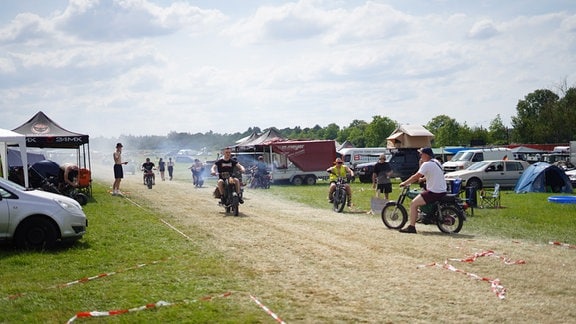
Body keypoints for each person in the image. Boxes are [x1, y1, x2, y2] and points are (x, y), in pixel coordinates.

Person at [398, 147, 447, 234]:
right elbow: (434, 174)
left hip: (434, 192)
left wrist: (405, 183)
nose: (420, 156)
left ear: (426, 155)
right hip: (442, 190)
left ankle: (411, 227)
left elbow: (416, 176)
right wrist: (423, 179)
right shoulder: (436, 162)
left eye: (421, 154)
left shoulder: (426, 164)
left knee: (413, 204)